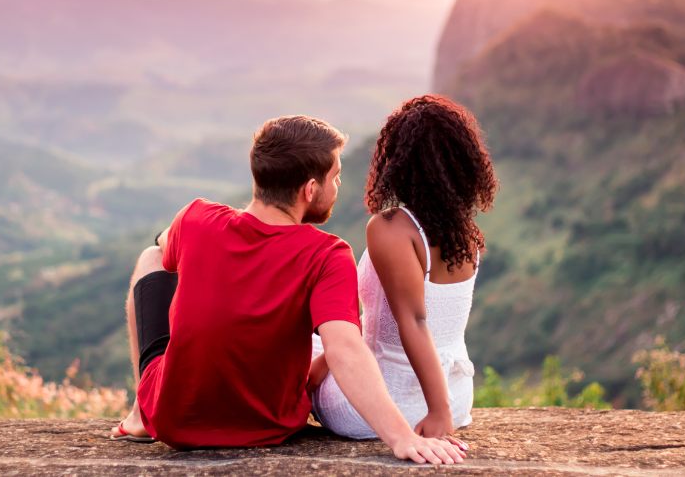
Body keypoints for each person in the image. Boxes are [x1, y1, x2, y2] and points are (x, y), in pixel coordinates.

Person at [108, 115, 467, 465]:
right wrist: (402, 437)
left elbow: (163, 245)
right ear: (310, 190)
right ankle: (143, 410)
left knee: (151, 258)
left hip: (174, 421)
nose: (337, 187)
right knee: (334, 332)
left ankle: (142, 412)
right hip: (269, 425)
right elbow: (345, 351)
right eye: (335, 178)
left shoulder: (196, 218)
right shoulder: (327, 254)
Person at [309, 95, 497, 440]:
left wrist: (438, 413)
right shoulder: (464, 234)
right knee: (325, 345)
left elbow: (413, 320)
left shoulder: (390, 229)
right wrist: (445, 408)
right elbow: (399, 320)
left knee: (303, 341)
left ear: (398, 161)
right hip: (456, 399)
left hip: (382, 406)